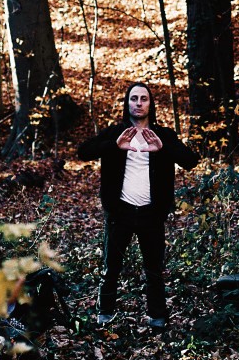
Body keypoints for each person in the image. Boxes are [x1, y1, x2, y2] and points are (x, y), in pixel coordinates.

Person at [77, 82, 198, 329]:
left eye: (144, 98)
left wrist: (163, 149)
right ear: (127, 103)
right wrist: (114, 145)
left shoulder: (163, 135)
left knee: (154, 270)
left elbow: (190, 160)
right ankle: (104, 315)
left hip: (151, 213)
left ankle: (157, 318)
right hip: (119, 211)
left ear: (150, 104)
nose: (139, 103)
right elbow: (83, 152)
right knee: (111, 267)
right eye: (134, 98)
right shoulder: (116, 133)